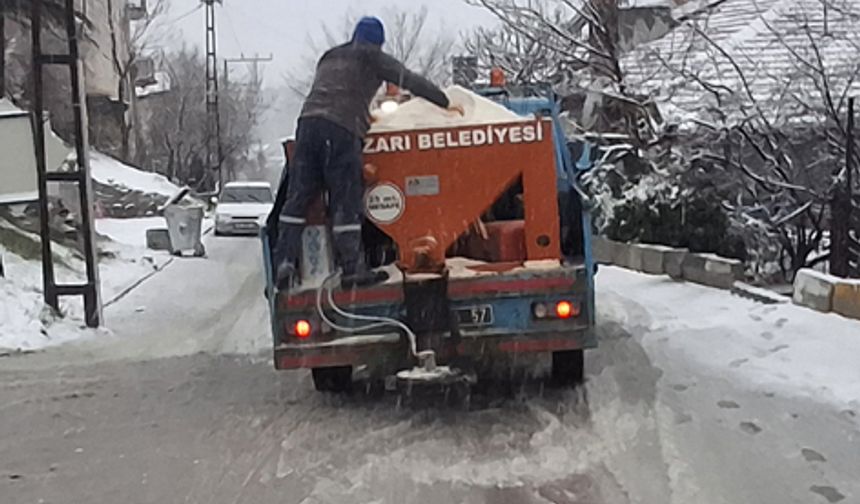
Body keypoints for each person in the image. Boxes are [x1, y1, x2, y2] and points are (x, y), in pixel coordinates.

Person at [273, 16, 463, 289]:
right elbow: (410, 80)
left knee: (299, 197)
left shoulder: (330, 56)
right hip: (341, 130)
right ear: (378, 42)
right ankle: (353, 271)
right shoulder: (373, 57)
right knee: (345, 200)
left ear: (355, 35)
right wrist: (444, 102)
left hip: (308, 125)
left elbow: (339, 90)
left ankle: (285, 263)